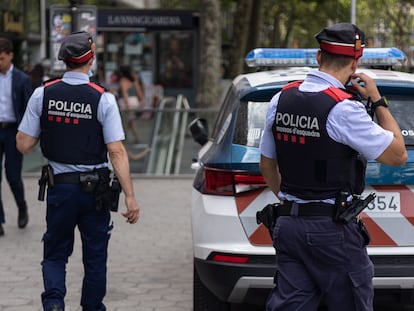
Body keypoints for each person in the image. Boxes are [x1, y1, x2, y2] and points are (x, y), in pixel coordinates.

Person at [259, 23, 407, 311]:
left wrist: (295, 201)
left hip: (288, 225)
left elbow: (267, 165)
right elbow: (398, 155)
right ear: (356, 63)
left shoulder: (281, 98)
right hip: (331, 232)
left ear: (318, 56)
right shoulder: (343, 108)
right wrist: (377, 101)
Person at [16, 31, 140, 311]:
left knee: (55, 253)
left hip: (60, 189)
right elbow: (117, 151)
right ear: (90, 59)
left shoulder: (43, 93)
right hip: (95, 191)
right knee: (95, 257)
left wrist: (50, 126)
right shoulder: (103, 99)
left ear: (64, 61)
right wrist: (130, 196)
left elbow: (23, 144)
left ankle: (55, 304)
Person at [0, 36, 32, 236]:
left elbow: (30, 110)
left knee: (13, 175)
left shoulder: (22, 79)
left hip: (14, 131)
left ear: (11, 56)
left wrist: (28, 136)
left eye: (2, 58)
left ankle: (22, 207)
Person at [117, 65, 145, 144]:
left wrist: (127, 103)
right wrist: (141, 100)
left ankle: (124, 137)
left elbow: (124, 92)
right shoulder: (134, 80)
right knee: (130, 120)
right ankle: (134, 137)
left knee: (127, 121)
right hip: (135, 101)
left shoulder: (123, 80)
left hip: (126, 102)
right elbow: (139, 91)